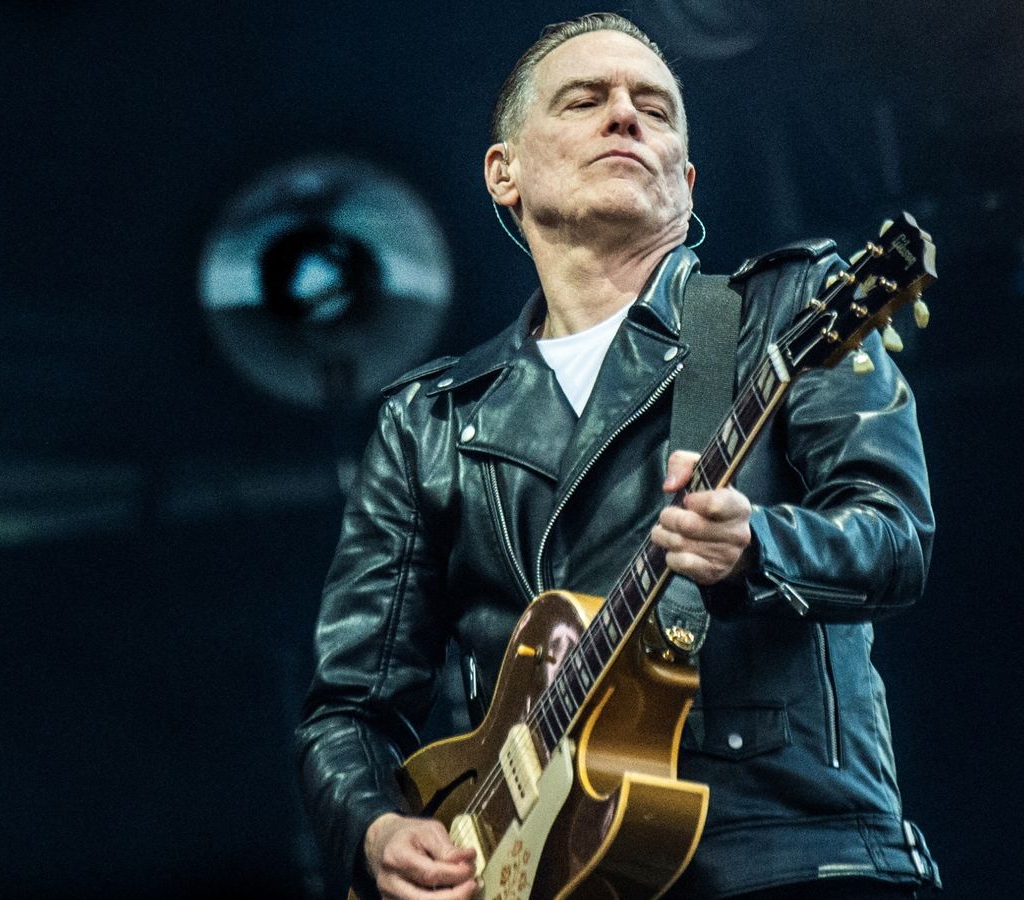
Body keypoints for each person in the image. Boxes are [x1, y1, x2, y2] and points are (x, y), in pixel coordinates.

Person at [295, 13, 940, 900]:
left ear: (687, 177)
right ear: (504, 173)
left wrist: (759, 547)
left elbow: (896, 537)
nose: (626, 117)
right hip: (548, 874)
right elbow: (352, 707)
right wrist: (374, 827)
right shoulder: (429, 422)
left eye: (655, 107)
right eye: (585, 100)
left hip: (781, 850)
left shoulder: (789, 309)